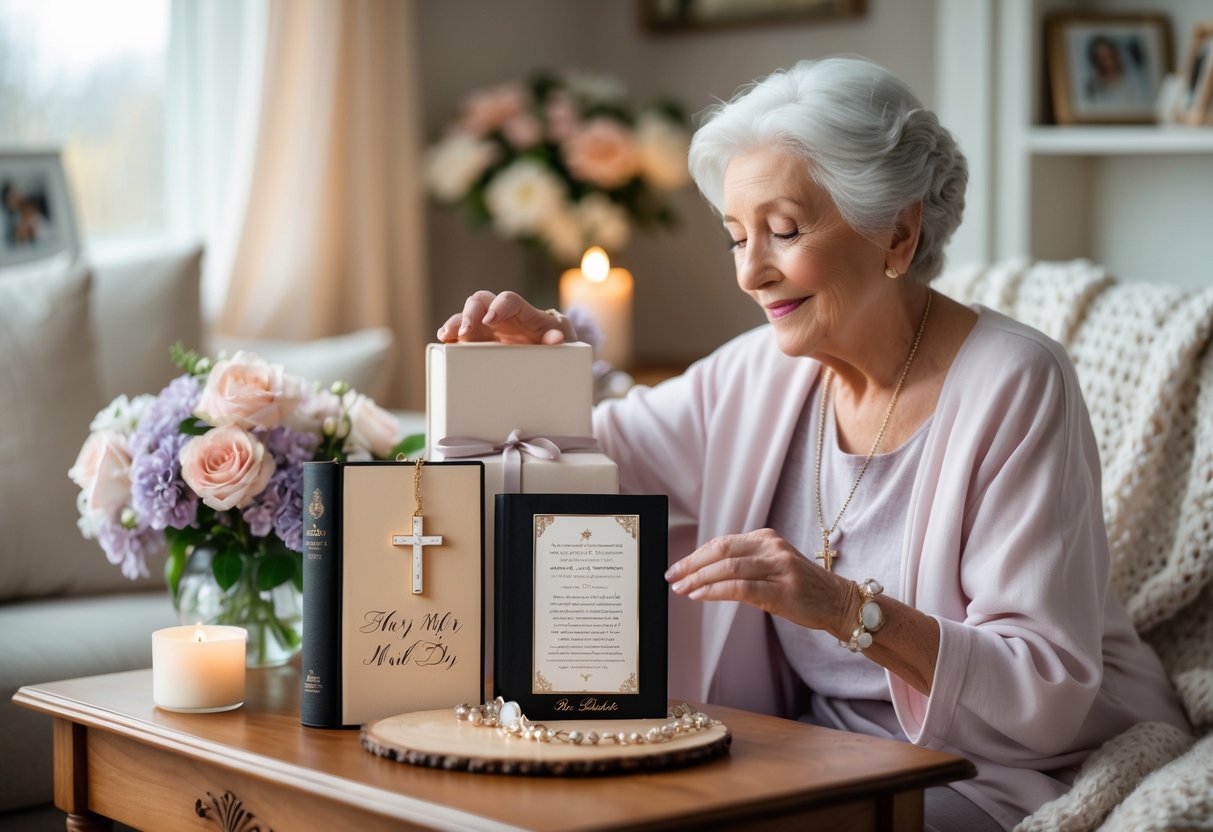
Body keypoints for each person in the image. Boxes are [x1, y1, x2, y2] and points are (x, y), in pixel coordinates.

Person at [437, 57, 1190, 831]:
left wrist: (838, 606)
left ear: (897, 230)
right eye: (736, 237)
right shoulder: (756, 375)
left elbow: (1042, 688)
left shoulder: (1015, 380)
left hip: (1002, 769)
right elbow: (578, 465)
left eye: (784, 231)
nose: (752, 273)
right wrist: (534, 371)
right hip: (813, 759)